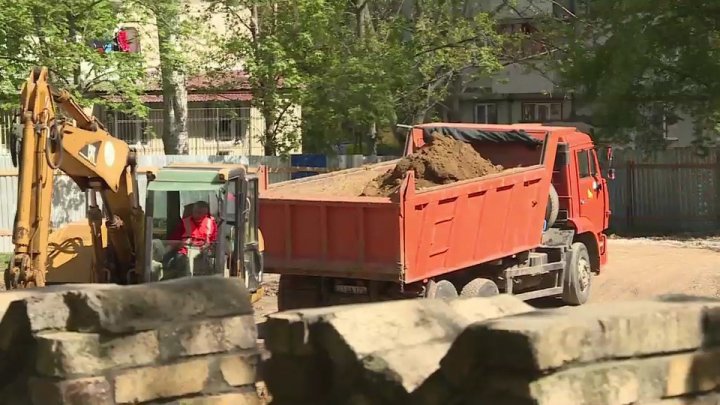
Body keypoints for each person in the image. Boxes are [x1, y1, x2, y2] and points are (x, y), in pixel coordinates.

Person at [162, 200, 218, 279]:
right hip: (185, 250)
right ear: (192, 211)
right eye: (196, 212)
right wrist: (179, 244)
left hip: (204, 251)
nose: (197, 215)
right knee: (179, 260)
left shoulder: (211, 223)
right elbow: (174, 239)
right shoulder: (184, 222)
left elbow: (214, 241)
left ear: (206, 214)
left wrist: (208, 247)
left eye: (200, 213)